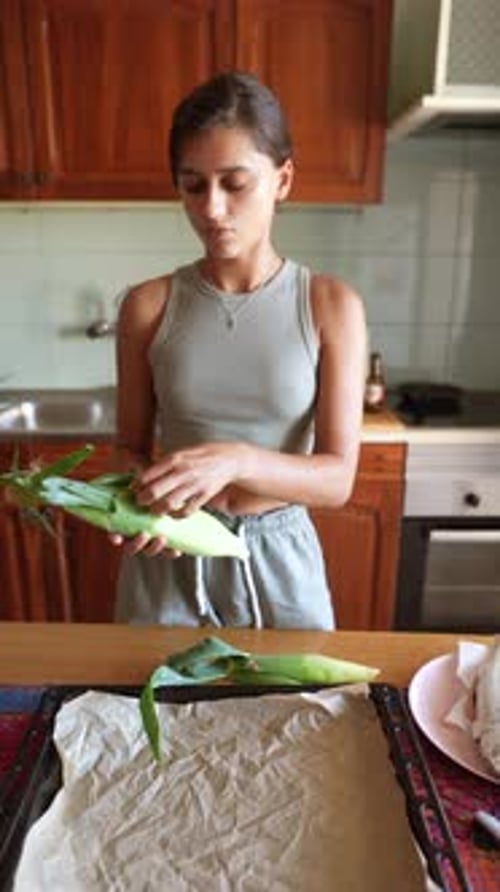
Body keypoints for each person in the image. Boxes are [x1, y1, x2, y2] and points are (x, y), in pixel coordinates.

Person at [111, 70, 367, 630]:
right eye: (193, 184)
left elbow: (336, 478)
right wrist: (140, 501)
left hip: (277, 561)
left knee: (292, 716)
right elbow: (128, 448)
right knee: (149, 713)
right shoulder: (147, 305)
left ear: (283, 179)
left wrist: (239, 460)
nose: (212, 208)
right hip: (171, 557)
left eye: (235, 183)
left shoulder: (330, 305)